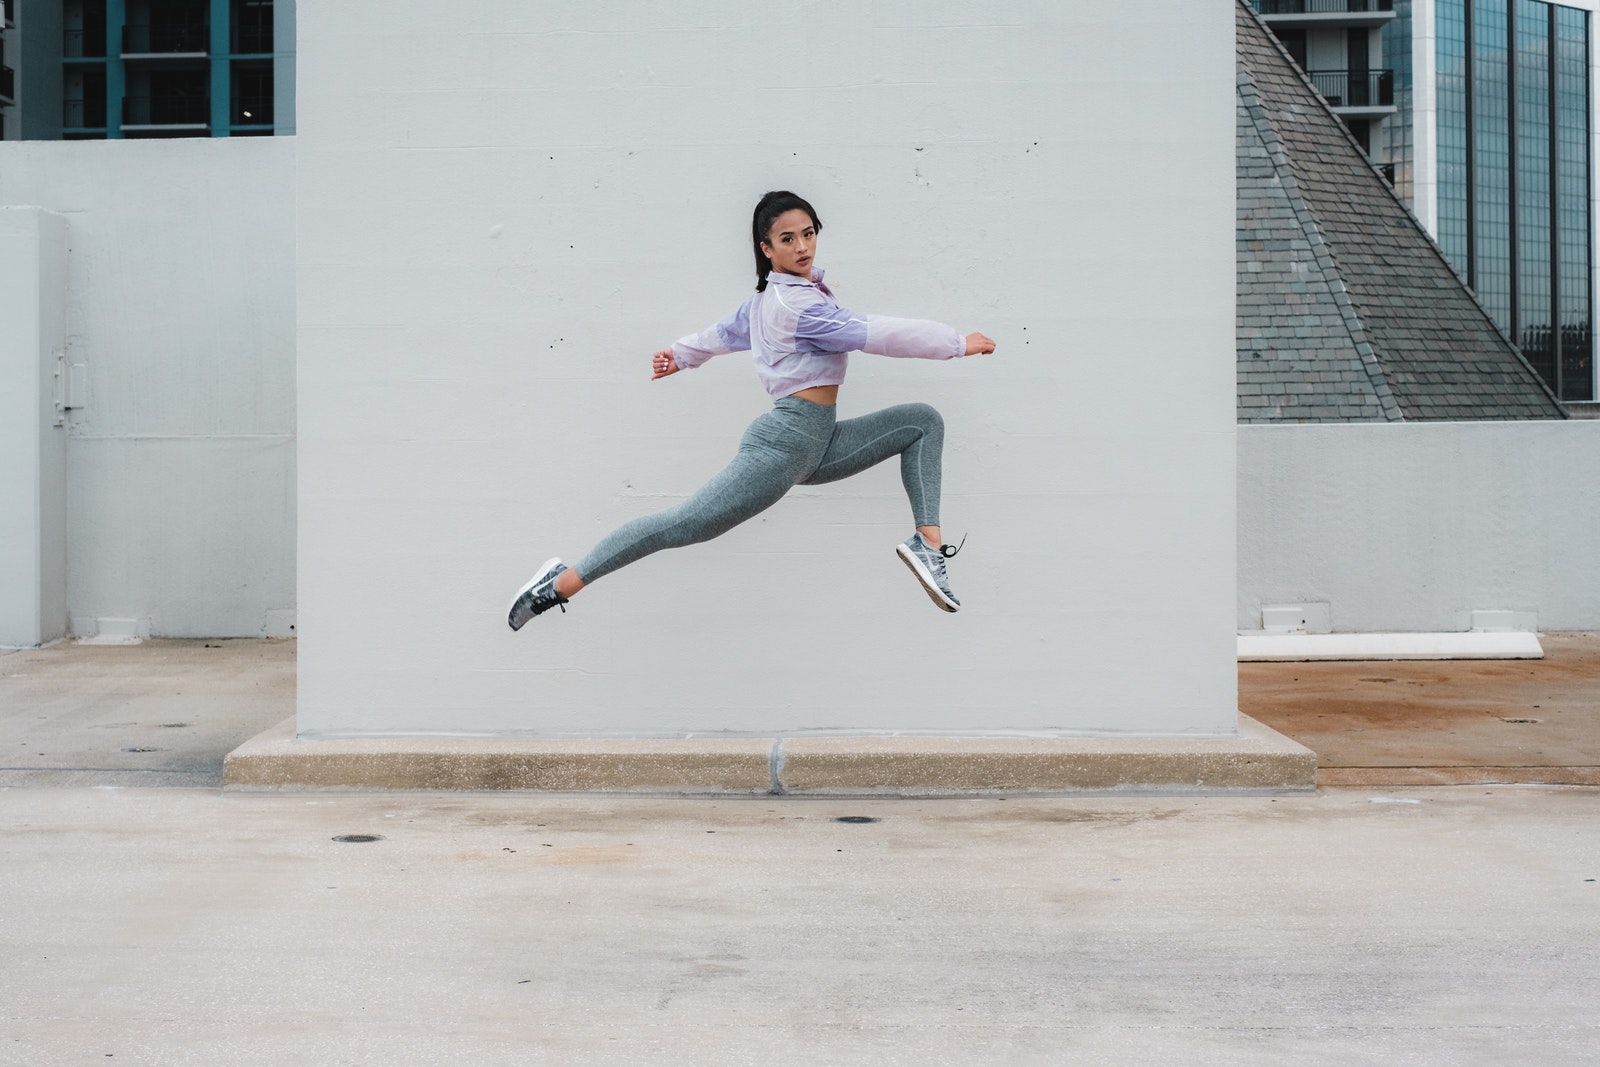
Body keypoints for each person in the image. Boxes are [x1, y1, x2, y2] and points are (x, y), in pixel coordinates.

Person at [507, 190, 995, 631]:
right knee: (685, 525)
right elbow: (877, 332)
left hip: (817, 442)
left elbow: (724, 334)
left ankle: (927, 547)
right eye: (788, 238)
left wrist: (680, 355)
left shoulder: (774, 298)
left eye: (809, 234)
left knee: (922, 422)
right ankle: (560, 582)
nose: (803, 247)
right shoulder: (798, 305)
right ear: (767, 248)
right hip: (785, 445)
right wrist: (956, 342)